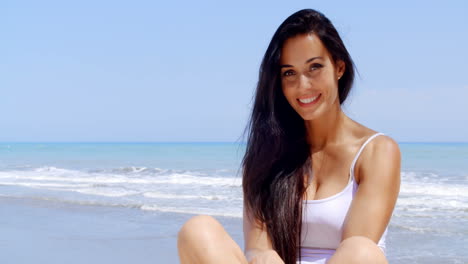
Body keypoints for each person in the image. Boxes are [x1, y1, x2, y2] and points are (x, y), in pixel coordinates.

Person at [177, 9, 401, 264]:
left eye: (314, 67)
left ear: (339, 67)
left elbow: (354, 251)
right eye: (289, 73)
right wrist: (264, 255)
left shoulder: (377, 151)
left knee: (362, 251)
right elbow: (258, 249)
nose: (302, 85)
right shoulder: (267, 154)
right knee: (197, 230)